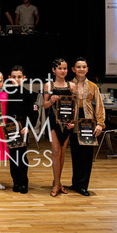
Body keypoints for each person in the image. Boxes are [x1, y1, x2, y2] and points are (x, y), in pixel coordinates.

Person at [70, 57, 105, 196]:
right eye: (78, 67)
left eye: (84, 67)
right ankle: (75, 183)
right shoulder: (68, 85)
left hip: (88, 122)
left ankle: (83, 185)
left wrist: (100, 123)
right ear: (73, 69)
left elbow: (100, 105)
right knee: (75, 153)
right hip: (73, 122)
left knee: (86, 155)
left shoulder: (92, 86)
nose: (81, 69)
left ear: (87, 69)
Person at [43, 58, 76, 197]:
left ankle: (58, 181)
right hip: (53, 121)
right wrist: (51, 100)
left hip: (67, 122)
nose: (63, 71)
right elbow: (44, 105)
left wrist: (73, 121)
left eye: (65, 68)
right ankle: (56, 184)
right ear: (54, 70)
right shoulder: (48, 85)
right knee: (56, 152)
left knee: (62, 153)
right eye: (60, 68)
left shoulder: (71, 86)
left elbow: (74, 106)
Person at [6, 65, 38, 194]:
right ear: (9, 78)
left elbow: (34, 114)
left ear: (24, 78)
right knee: (13, 156)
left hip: (22, 127)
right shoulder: (6, 94)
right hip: (9, 127)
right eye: (13, 77)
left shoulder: (28, 94)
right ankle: (16, 182)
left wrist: (28, 127)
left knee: (22, 156)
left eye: (19, 77)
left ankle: (24, 182)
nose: (16, 79)